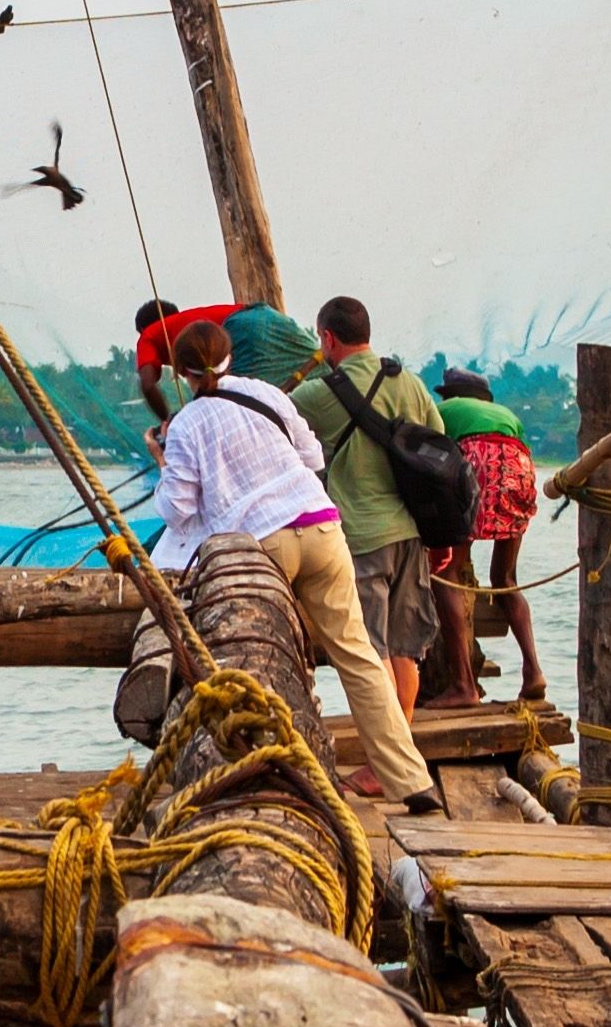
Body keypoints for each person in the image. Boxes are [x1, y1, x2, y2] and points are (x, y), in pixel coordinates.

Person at [119, 320, 434, 803]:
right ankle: (413, 783)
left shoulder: (185, 424)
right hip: (322, 525)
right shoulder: (267, 393)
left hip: (261, 543)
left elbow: (177, 509)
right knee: (358, 656)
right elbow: (311, 456)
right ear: (229, 358)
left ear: (180, 373)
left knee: (256, 656)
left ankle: (267, 776)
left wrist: (163, 458)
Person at [291, 296, 443, 718]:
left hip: (361, 538)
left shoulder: (319, 393)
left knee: (371, 651)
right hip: (410, 534)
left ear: (327, 338)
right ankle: (403, 750)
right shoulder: (409, 382)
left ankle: (384, 765)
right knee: (404, 651)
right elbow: (439, 441)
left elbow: (272, 421)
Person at [438, 368, 546, 704]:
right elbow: (521, 455)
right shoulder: (507, 415)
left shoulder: (443, 411)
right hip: (519, 466)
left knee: (447, 573)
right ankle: (533, 671)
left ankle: (463, 685)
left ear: (451, 395)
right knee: (504, 577)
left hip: (476, 461)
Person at [133, 295, 237, 431]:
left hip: (242, 328)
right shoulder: (192, 323)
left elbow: (147, 385)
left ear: (142, 329)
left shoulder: (149, 335)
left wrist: (169, 423)